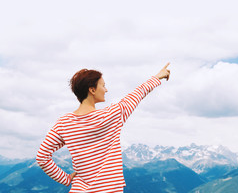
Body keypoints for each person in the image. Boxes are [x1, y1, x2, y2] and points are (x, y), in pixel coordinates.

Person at [36, 63, 171, 193]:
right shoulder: (111, 116)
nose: (106, 90)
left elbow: (42, 157)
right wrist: (158, 76)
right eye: (103, 85)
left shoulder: (63, 123)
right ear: (92, 89)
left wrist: (65, 179)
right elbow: (137, 94)